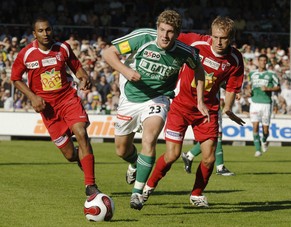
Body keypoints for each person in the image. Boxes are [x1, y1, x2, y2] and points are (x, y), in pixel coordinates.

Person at [103, 9, 208, 210]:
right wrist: (126, 71)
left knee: (149, 139)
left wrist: (201, 101)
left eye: (170, 32)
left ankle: (137, 193)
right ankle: (134, 163)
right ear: (157, 28)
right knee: (121, 150)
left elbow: (199, 71)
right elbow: (108, 53)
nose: (165, 36)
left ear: (177, 34)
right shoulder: (143, 37)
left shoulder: (186, 52)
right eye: (162, 30)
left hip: (158, 99)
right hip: (130, 98)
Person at [143, 16, 245, 208]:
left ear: (231, 37)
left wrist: (229, 109)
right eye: (215, 37)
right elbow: (167, 39)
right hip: (180, 106)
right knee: (172, 155)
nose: (219, 42)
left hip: (207, 110)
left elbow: (232, 87)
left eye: (223, 38)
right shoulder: (195, 41)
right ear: (210, 34)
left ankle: (196, 195)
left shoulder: (235, 59)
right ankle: (148, 187)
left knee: (209, 157)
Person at [10, 16, 99, 197]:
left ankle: (91, 186)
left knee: (81, 133)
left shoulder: (63, 48)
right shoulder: (26, 54)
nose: (45, 33)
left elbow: (77, 69)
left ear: (52, 30)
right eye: (41, 31)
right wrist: (33, 97)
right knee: (70, 155)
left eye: (48, 29)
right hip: (48, 109)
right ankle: (82, 159)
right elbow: (15, 78)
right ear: (34, 34)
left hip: (68, 99)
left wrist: (83, 78)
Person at [248, 54, 280, 157]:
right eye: (261, 60)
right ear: (258, 61)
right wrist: (249, 90)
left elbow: (278, 88)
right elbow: (249, 85)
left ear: (267, 62)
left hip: (266, 103)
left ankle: (264, 140)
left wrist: (268, 89)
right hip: (254, 103)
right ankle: (257, 150)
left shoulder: (272, 74)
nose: (263, 62)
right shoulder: (252, 73)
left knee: (265, 129)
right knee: (255, 126)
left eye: (265, 60)